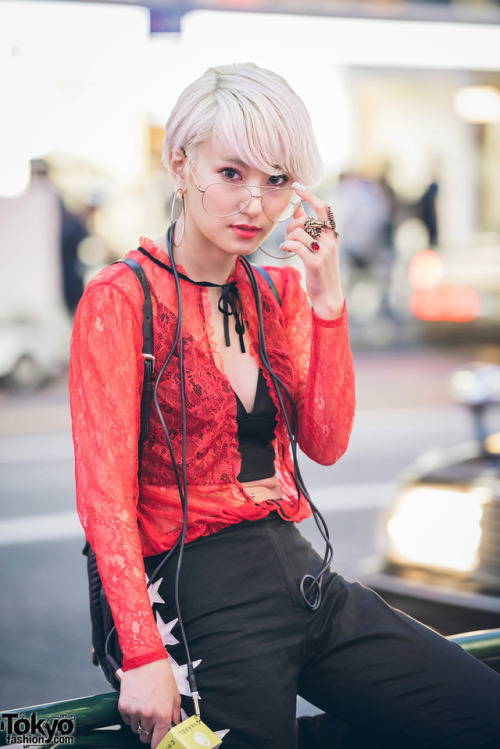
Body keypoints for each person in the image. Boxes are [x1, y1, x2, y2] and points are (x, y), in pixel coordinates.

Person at [69, 63, 500, 749]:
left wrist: (326, 296)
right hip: (196, 595)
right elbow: (103, 494)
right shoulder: (122, 299)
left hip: (301, 573)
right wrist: (144, 651)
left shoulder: (277, 293)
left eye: (275, 180)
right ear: (179, 164)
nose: (254, 203)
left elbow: (326, 440)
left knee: (478, 709)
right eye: (232, 173)